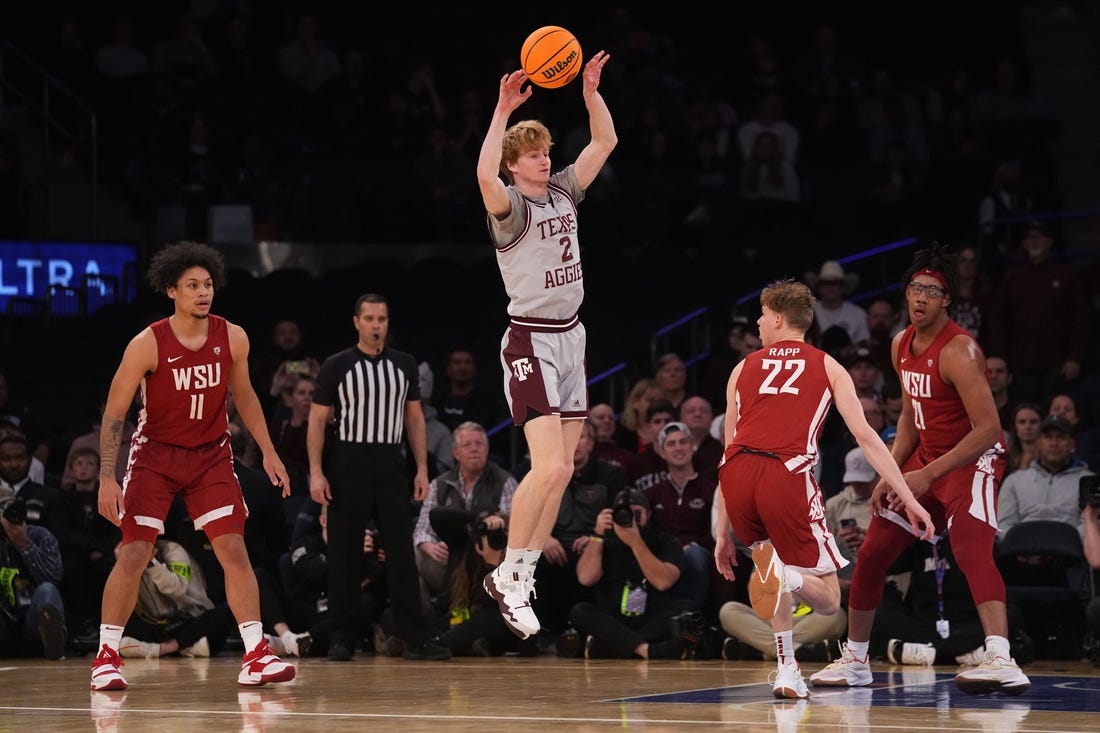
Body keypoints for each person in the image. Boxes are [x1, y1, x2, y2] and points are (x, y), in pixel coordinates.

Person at [810, 244, 1031, 695]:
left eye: (932, 290)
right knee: (872, 553)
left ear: (947, 300)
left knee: (971, 549)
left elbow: (989, 429)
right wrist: (890, 474)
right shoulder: (899, 344)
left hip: (974, 459)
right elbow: (910, 418)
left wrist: (926, 476)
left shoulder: (962, 350)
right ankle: (855, 661)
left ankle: (1002, 659)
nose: (921, 297)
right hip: (925, 461)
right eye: (915, 287)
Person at [713, 278, 933, 700]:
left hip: (738, 476)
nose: (758, 323)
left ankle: (786, 670)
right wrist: (909, 498)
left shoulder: (742, 369)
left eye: (762, 315)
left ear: (777, 318)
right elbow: (868, 439)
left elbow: (727, 451)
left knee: (769, 570)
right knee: (830, 599)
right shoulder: (828, 365)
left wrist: (723, 532)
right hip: (784, 473)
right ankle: (790, 577)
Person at [91, 241, 295, 692]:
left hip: (210, 456)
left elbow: (244, 396)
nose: (203, 293)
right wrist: (107, 477)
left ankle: (256, 654)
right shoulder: (147, 344)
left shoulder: (233, 336)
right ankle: (106, 657)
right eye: (192, 286)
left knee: (234, 551)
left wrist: (268, 450)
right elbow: (114, 413)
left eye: (207, 285)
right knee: (135, 553)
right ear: (171, 291)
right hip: (155, 458)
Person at [475, 49, 617, 640]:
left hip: (572, 338)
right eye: (533, 152)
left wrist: (588, 93)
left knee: (561, 474)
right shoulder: (508, 207)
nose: (545, 157)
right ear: (515, 163)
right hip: (530, 339)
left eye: (546, 150)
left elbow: (604, 142)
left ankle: (520, 574)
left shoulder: (563, 192)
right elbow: (482, 175)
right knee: (551, 464)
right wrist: (503, 108)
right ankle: (508, 568)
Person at [307, 293, 451, 662]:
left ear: (388, 322)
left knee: (400, 553)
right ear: (356, 321)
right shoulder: (337, 365)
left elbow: (415, 419)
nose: (375, 325)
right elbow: (318, 421)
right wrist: (316, 472)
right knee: (344, 553)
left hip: (390, 461)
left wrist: (421, 468)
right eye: (369, 318)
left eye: (381, 319)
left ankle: (413, 635)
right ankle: (343, 636)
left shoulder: (404, 365)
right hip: (348, 460)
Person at [567, 488, 697, 659]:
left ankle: (612, 646)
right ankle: (647, 650)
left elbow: (663, 581)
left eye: (636, 513)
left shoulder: (666, 541)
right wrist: (597, 535)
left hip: (652, 617)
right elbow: (586, 578)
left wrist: (635, 542)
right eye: (623, 513)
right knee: (579, 611)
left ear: (649, 514)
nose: (630, 520)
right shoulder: (602, 541)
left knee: (687, 610)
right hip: (614, 618)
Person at [413, 421, 516, 614]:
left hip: (485, 564)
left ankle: (477, 617)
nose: (474, 449)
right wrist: (429, 546)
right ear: (455, 453)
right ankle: (428, 621)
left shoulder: (505, 481)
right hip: (446, 562)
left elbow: (513, 530)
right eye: (467, 445)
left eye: (479, 444)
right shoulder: (439, 484)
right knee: (412, 555)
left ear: (487, 449)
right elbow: (421, 531)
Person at [0, 489, 67, 660]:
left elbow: (53, 577)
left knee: (47, 589)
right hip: (3, 621)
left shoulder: (41, 535)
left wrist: (24, 545)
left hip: (33, 618)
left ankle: (54, 644)